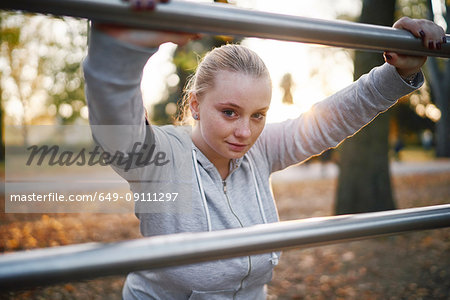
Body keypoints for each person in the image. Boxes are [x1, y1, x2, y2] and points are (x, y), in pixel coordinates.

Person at [82, 1, 445, 298]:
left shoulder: (258, 151)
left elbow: (331, 119)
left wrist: (397, 72)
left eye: (259, 115)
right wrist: (119, 50)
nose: (245, 132)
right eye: (229, 112)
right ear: (194, 105)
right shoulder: (161, 159)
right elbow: (118, 126)